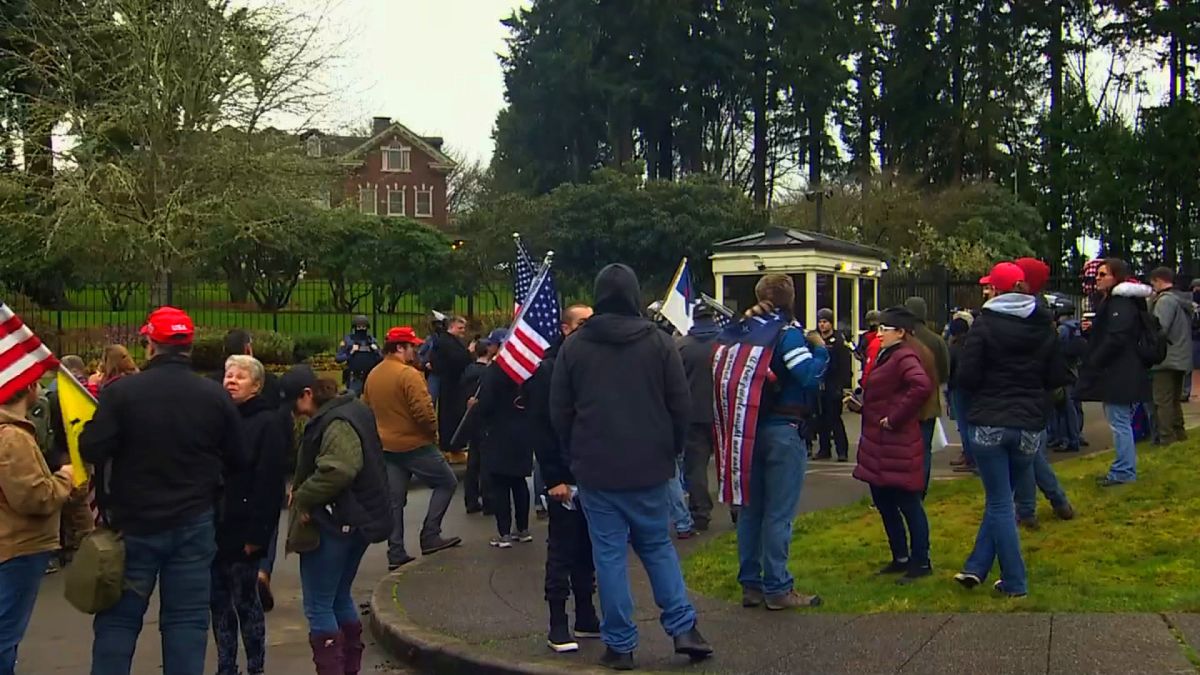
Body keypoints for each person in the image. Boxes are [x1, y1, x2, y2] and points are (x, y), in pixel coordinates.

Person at [551, 264, 712, 670]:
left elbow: (560, 411)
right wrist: (670, 450)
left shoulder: (574, 347)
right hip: (649, 463)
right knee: (657, 547)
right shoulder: (658, 343)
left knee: (609, 556)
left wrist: (574, 456)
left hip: (597, 466)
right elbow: (680, 405)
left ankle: (620, 645)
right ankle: (683, 628)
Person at [80, 306, 246, 675]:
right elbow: (238, 458)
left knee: (119, 622)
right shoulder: (214, 396)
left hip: (132, 525)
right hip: (194, 523)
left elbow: (93, 449)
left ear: (150, 345)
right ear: (189, 346)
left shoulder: (122, 394)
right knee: (186, 622)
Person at [953, 263, 1069, 598]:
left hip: (990, 420)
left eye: (989, 286)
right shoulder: (1043, 323)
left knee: (1000, 503)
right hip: (1029, 424)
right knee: (1003, 501)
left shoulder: (985, 324)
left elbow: (968, 376)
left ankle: (1015, 581)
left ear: (998, 290)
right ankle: (976, 567)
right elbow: (1056, 375)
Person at [715, 274, 829, 612]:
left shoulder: (740, 331)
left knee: (751, 510)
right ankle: (778, 587)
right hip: (783, 429)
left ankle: (750, 584)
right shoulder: (785, 334)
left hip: (745, 431)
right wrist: (821, 350)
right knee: (779, 514)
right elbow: (808, 376)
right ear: (790, 298)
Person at [280, 369, 391, 675]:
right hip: (359, 520)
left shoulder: (335, 422)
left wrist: (304, 495)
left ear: (307, 394)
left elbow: (339, 470)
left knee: (318, 606)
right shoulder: (351, 409)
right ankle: (349, 668)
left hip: (334, 523)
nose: (294, 413)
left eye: (294, 404)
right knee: (339, 596)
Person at [528, 303, 598, 653]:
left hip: (594, 473)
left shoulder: (594, 364)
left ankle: (586, 615)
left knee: (589, 550)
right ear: (566, 328)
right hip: (564, 476)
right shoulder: (548, 369)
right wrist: (553, 477)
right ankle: (558, 622)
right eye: (583, 322)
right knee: (562, 550)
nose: (590, 327)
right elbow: (543, 427)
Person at [211, 356, 287, 675]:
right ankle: (226, 665)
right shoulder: (216, 418)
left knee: (246, 604)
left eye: (240, 377)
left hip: (245, 529)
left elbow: (268, 484)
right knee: (218, 604)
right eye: (228, 375)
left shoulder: (267, 422)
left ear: (256, 385)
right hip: (214, 527)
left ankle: (255, 666)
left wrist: (258, 536)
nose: (231, 381)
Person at [362, 327, 460, 570]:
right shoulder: (409, 375)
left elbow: (366, 408)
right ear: (399, 348)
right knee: (447, 482)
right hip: (415, 444)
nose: (415, 351)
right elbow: (424, 412)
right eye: (412, 347)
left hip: (386, 445)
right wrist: (432, 434)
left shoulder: (373, 375)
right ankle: (430, 534)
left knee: (395, 500)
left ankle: (395, 551)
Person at [852, 307, 934, 583]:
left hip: (896, 442)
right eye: (879, 328)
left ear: (900, 332)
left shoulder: (905, 356)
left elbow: (921, 386)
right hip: (880, 441)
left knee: (908, 503)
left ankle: (921, 561)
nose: (880, 333)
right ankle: (900, 556)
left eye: (885, 329)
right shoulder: (887, 355)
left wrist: (895, 417)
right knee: (884, 500)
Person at [0, 381, 75, 674]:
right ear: (28, 386)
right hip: (18, 544)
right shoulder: (12, 437)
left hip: (10, 541)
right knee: (5, 632)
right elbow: (34, 497)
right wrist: (65, 478)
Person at [1009, 257, 1075, 530]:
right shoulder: (1039, 312)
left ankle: (1028, 510)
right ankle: (1057, 502)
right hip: (1038, 389)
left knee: (1028, 452)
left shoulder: (1030, 313)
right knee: (1031, 451)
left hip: (1031, 389)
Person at [1076, 258, 1153, 486]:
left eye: (1103, 275)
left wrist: (1096, 359)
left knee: (1119, 423)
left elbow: (1117, 337)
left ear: (1116, 277)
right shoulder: (1118, 302)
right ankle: (1123, 468)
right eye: (1097, 275)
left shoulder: (1120, 303)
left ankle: (1124, 470)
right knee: (1121, 422)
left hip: (1120, 371)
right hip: (1121, 369)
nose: (1097, 279)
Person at [474, 355, 535, 548]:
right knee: (519, 482)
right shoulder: (527, 368)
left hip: (499, 432)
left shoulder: (494, 371)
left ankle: (504, 532)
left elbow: (486, 404)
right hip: (523, 429)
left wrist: (476, 407)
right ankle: (523, 528)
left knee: (500, 485)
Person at [676, 301, 720, 532]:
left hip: (693, 414)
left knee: (696, 467)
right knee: (729, 465)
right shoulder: (727, 343)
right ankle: (736, 508)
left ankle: (700, 511)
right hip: (723, 412)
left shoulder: (681, 346)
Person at [903, 297, 950, 491]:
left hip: (904, 403)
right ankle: (921, 487)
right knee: (925, 450)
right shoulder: (936, 340)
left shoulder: (902, 338)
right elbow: (946, 371)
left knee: (904, 450)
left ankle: (905, 486)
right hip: (929, 404)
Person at [1147, 267, 1193, 445]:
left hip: (1166, 359)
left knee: (1162, 401)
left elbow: (1159, 328)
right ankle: (1179, 434)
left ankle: (1167, 438)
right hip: (1180, 357)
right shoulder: (1181, 300)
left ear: (1158, 280)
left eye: (1153, 284)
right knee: (1174, 400)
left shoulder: (1165, 301)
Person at [459, 333, 503, 515]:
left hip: (471, 421)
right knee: (486, 462)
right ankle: (488, 500)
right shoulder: (487, 373)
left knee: (473, 461)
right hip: (485, 421)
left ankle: (470, 499)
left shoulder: (468, 370)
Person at [429, 315, 472, 458]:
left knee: (455, 413)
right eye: (460, 328)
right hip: (450, 383)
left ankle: (455, 444)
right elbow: (457, 359)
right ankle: (450, 445)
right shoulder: (446, 342)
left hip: (454, 383)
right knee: (450, 414)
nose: (463, 331)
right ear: (452, 327)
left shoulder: (451, 341)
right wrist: (468, 353)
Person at [814, 308, 852, 461]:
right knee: (821, 419)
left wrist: (841, 386)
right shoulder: (816, 340)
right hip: (819, 384)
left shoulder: (838, 341)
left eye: (825, 322)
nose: (822, 325)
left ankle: (842, 450)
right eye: (820, 322)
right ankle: (824, 449)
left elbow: (844, 364)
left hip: (833, 384)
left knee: (834, 419)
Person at [945, 311, 976, 472]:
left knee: (963, 424)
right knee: (972, 424)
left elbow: (948, 370)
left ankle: (969, 457)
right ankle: (971, 455)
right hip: (972, 388)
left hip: (958, 388)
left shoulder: (954, 348)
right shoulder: (973, 344)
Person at [335, 315, 382, 396]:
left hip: (370, 376)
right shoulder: (349, 340)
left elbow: (382, 358)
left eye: (363, 327)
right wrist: (351, 352)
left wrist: (376, 350)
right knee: (352, 399)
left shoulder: (371, 340)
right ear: (354, 327)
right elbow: (338, 358)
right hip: (355, 377)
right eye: (359, 327)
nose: (361, 329)